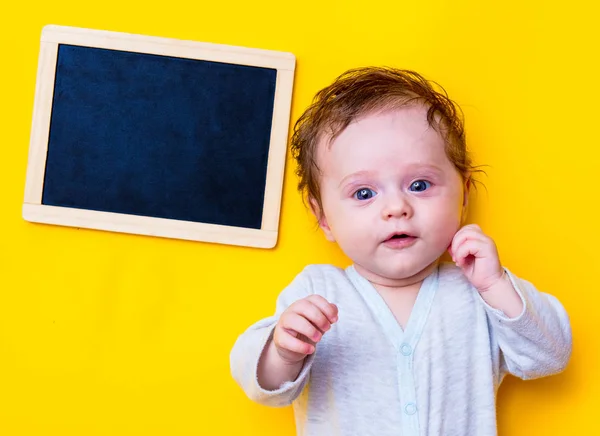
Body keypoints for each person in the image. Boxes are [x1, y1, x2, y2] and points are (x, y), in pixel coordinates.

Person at [229, 67, 572, 436]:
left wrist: (496, 286)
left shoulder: (480, 293)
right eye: (364, 193)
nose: (396, 207)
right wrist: (283, 352)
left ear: (464, 196)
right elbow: (260, 383)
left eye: (420, 184)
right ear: (323, 216)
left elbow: (551, 355)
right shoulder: (318, 290)